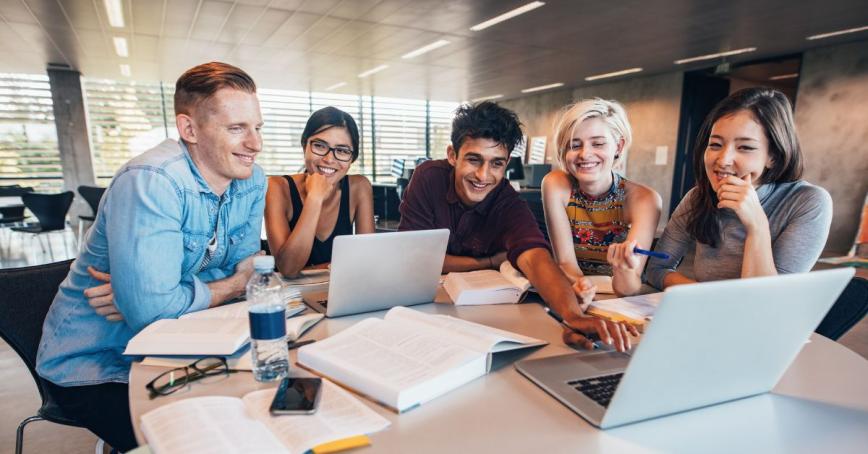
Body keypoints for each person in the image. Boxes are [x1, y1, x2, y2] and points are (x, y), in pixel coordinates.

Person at [35, 62, 266, 451]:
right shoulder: (152, 179)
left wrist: (154, 295)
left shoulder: (252, 179)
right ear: (189, 129)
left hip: (182, 346)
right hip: (97, 362)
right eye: (236, 128)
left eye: (258, 127)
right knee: (204, 442)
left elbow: (247, 274)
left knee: (260, 411)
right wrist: (227, 284)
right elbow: (157, 312)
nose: (255, 144)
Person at [399, 101, 637, 351]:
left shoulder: (508, 202)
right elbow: (414, 258)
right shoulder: (428, 178)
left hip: (481, 313)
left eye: (496, 163)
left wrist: (573, 317)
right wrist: (489, 261)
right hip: (423, 306)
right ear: (452, 155)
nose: (483, 175)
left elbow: (535, 258)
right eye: (474, 160)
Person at [646, 87, 832, 289]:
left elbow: (768, 299)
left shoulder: (808, 202)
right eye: (715, 144)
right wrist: (703, 296)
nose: (723, 160)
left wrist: (756, 224)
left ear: (773, 156)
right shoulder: (697, 197)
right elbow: (657, 269)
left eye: (745, 147)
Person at [542, 99, 661, 297]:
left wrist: (624, 270)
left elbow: (629, 289)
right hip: (575, 292)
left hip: (620, 300)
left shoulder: (645, 199)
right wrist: (583, 289)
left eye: (597, 143)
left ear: (618, 147)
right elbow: (565, 263)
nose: (585, 154)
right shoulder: (555, 184)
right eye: (574, 145)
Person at [264, 107, 374, 276]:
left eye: (342, 151)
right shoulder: (277, 187)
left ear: (352, 158)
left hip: (341, 287)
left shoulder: (359, 187)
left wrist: (313, 269)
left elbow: (367, 261)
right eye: (320, 146)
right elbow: (288, 269)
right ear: (304, 146)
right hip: (292, 292)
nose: (329, 159)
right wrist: (315, 198)